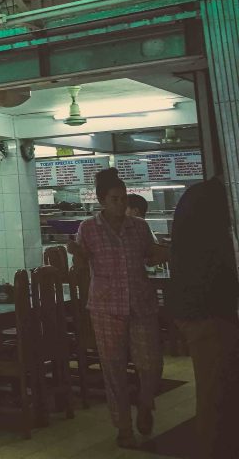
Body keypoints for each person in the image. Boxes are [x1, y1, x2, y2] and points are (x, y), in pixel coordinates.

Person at [69, 169, 168, 447]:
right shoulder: (88, 228)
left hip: (140, 303)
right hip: (105, 306)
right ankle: (123, 427)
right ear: (102, 200)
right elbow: (81, 267)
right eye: (115, 199)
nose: (121, 204)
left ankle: (146, 402)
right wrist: (78, 257)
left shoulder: (139, 227)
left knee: (150, 363)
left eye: (123, 199)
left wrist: (162, 252)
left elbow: (149, 258)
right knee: (113, 369)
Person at [167, 175, 239, 459]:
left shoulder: (201, 195)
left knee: (217, 390)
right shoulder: (214, 200)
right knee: (216, 394)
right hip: (206, 311)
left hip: (199, 307)